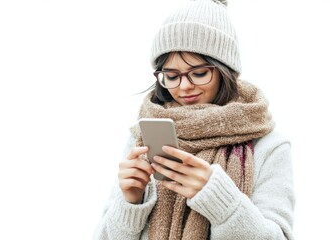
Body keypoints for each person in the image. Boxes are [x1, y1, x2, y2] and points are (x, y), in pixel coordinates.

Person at [93, 0, 295, 239]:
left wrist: (219, 199)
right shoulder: (143, 137)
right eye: (171, 76)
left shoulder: (268, 146)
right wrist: (130, 203)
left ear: (225, 70)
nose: (184, 87)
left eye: (199, 73)